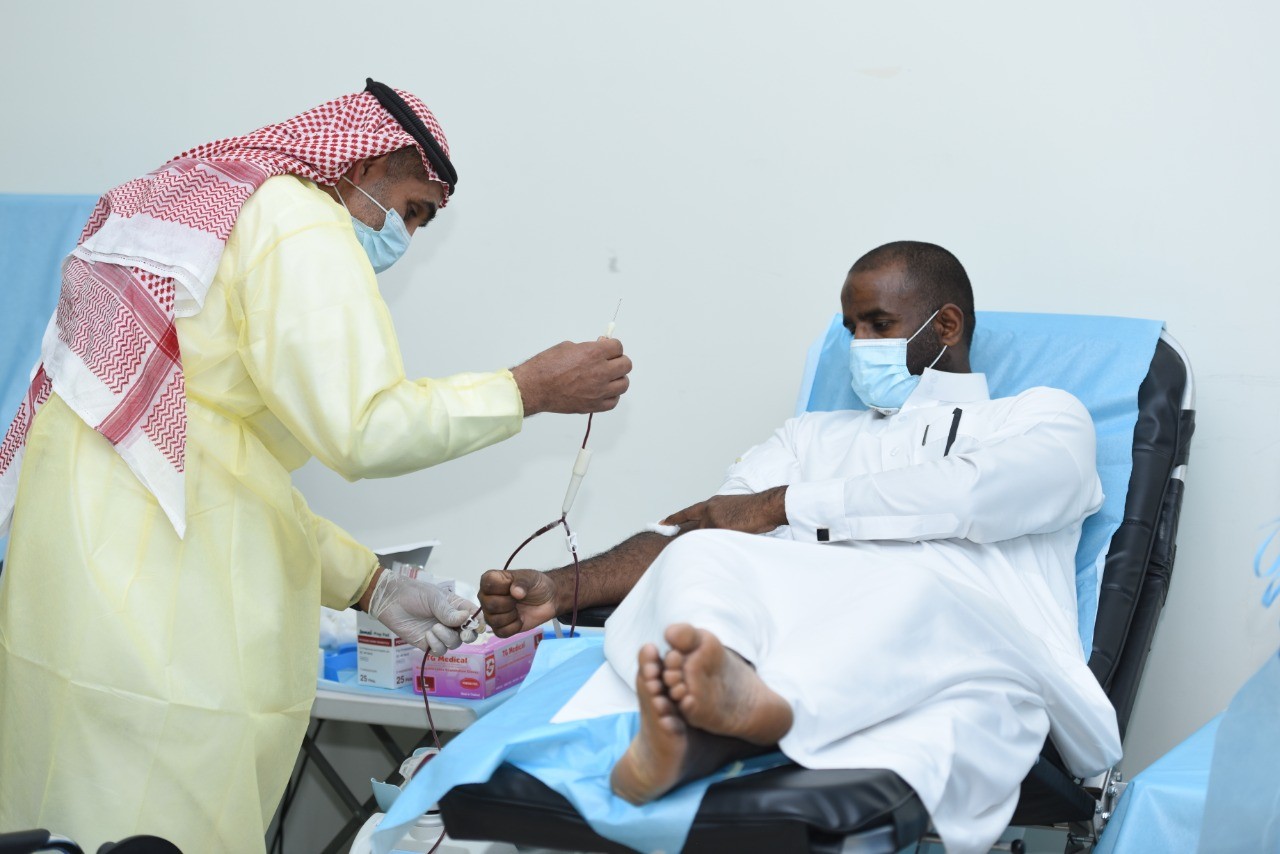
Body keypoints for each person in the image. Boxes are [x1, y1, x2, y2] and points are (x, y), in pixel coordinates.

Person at [0, 81, 631, 852]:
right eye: (411, 210)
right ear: (363, 163)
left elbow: (225, 473)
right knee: (154, 830)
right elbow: (363, 428)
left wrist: (371, 583)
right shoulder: (299, 220)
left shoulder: (219, 225)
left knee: (55, 823)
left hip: (67, 608)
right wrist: (524, 391)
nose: (403, 238)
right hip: (156, 641)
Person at [479, 241, 1122, 853]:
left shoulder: (1040, 417)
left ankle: (747, 715)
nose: (860, 345)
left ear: (946, 325)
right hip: (809, 633)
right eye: (851, 329)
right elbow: (700, 527)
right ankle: (717, 712)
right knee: (702, 554)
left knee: (907, 583)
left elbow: (971, 497)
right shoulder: (810, 437)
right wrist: (559, 588)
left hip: (968, 644)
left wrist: (782, 505)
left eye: (878, 324)